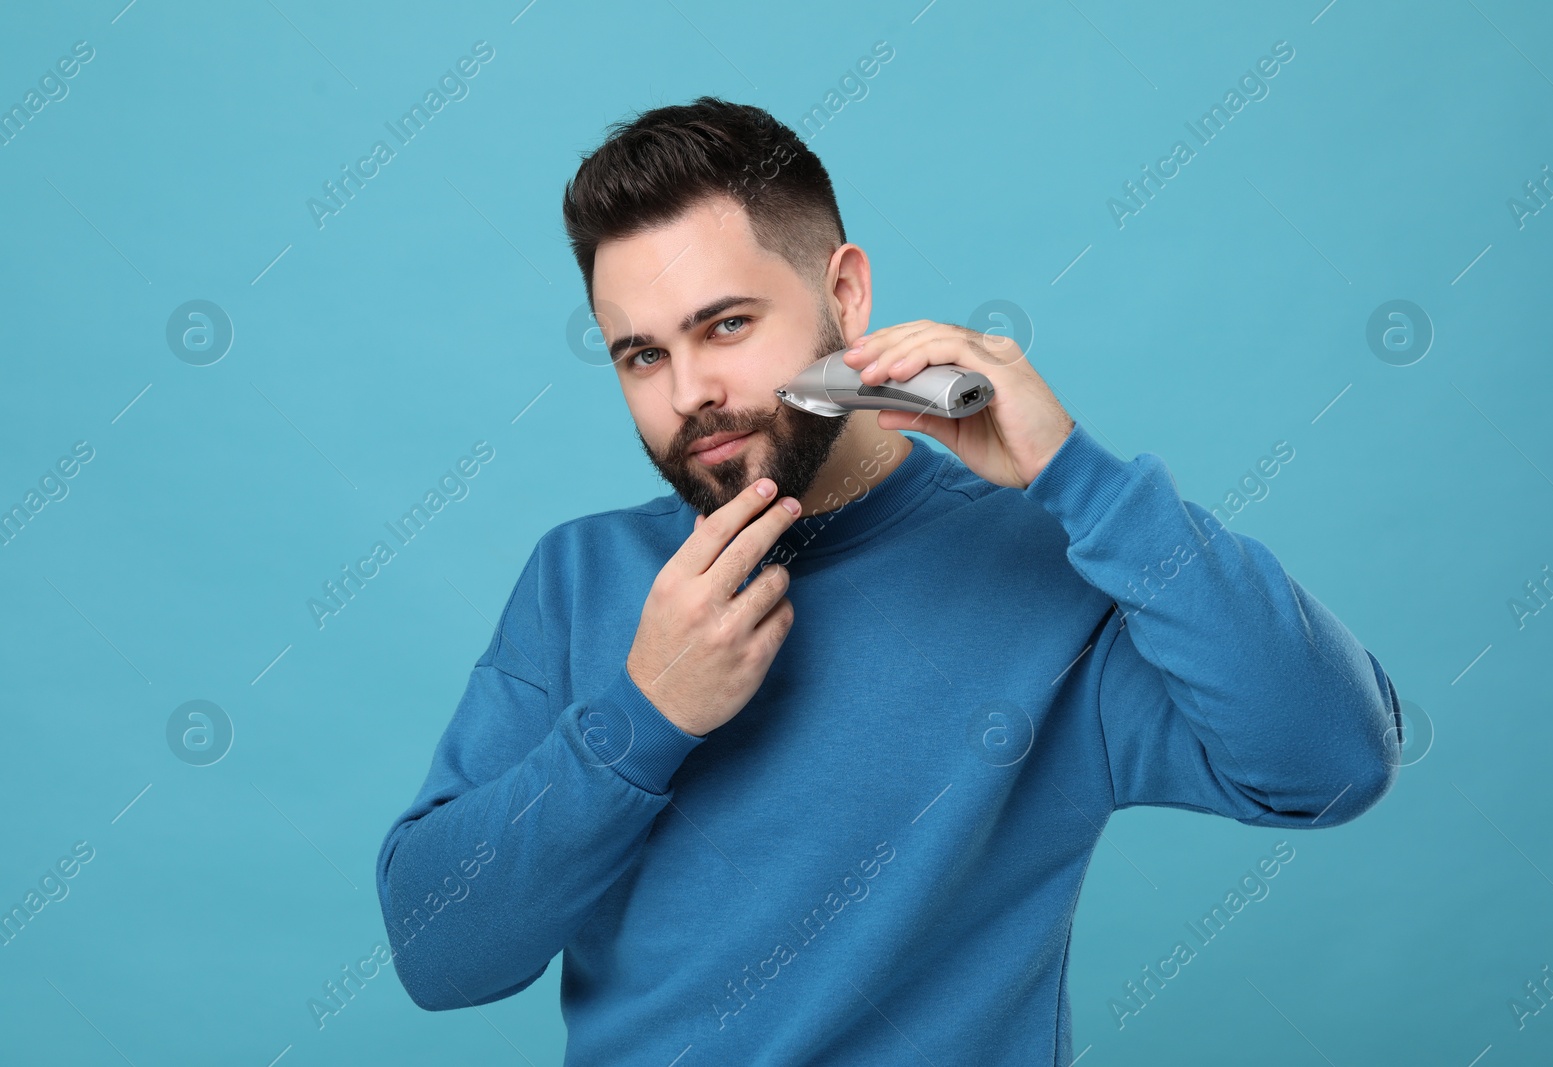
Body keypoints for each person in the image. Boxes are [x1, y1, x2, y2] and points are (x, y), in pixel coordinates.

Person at [374, 96, 1402, 1064]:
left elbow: (1331, 761)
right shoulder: (581, 574)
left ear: (845, 292)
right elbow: (441, 953)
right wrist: (643, 717)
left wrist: (1078, 478)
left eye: (726, 324)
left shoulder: (1045, 570)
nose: (691, 394)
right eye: (642, 355)